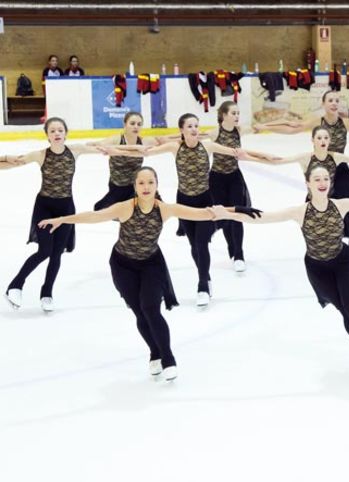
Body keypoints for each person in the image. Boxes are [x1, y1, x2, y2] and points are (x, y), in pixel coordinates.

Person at [37, 167, 227, 382]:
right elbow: (94, 216)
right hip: (122, 265)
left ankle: (168, 358)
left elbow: (201, 214)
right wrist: (62, 219)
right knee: (139, 312)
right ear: (135, 187)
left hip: (152, 265)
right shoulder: (124, 208)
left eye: (150, 183)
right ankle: (154, 352)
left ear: (157, 185)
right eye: (141, 183)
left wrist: (230, 210)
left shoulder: (164, 209)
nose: (146, 187)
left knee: (151, 309)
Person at [212, 165, 349, 379]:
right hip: (318, 269)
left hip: (344, 261)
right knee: (344, 310)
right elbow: (262, 216)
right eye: (317, 179)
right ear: (308, 183)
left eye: (325, 178)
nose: (322, 182)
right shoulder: (300, 212)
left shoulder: (342, 205)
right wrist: (229, 213)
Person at [131, 113, 274, 306]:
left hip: (205, 201)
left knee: (201, 244)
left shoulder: (207, 146)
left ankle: (202, 285)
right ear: (181, 129)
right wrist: (112, 150)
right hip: (183, 203)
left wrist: (265, 157)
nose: (194, 129)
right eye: (189, 126)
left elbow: (236, 152)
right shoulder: (175, 147)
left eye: (196, 125)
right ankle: (205, 277)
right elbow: (145, 152)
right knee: (193, 246)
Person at [253, 90, 349, 253]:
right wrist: (264, 126)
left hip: (340, 168)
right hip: (319, 170)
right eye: (330, 100)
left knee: (347, 204)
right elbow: (292, 127)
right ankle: (327, 242)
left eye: (336, 100)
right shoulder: (316, 123)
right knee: (318, 207)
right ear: (324, 104)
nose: (334, 103)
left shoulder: (347, 123)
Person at [1, 118, 105, 312]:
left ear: (66, 133)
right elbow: (14, 162)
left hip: (66, 208)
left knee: (57, 253)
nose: (57, 133)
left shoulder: (75, 150)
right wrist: (6, 156)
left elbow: (103, 148)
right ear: (47, 135)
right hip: (44, 207)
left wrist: (132, 148)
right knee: (44, 251)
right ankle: (15, 285)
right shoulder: (40, 155)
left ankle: (47, 293)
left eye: (60, 130)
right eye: (52, 131)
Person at [205, 101, 270, 272]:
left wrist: (273, 124)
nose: (237, 116)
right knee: (225, 216)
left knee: (238, 214)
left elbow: (258, 128)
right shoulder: (214, 132)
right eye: (233, 113)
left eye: (238, 113)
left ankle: (239, 254)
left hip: (234, 178)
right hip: (217, 179)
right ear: (224, 115)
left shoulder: (239, 131)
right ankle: (232, 250)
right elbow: (199, 144)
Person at [88, 111, 159, 210]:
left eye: (139, 124)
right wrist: (133, 147)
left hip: (134, 187)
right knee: (99, 209)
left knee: (152, 209)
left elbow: (163, 140)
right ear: (125, 124)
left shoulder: (143, 141)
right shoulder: (116, 140)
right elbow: (93, 145)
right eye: (132, 123)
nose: (136, 127)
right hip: (117, 187)